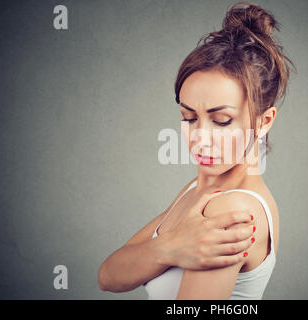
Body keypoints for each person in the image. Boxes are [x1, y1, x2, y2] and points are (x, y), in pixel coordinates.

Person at [98, 1, 296, 299]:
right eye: (189, 117)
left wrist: (164, 250)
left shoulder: (232, 211)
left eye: (221, 121)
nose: (200, 138)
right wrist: (169, 247)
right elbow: (109, 276)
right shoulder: (198, 188)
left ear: (264, 121)